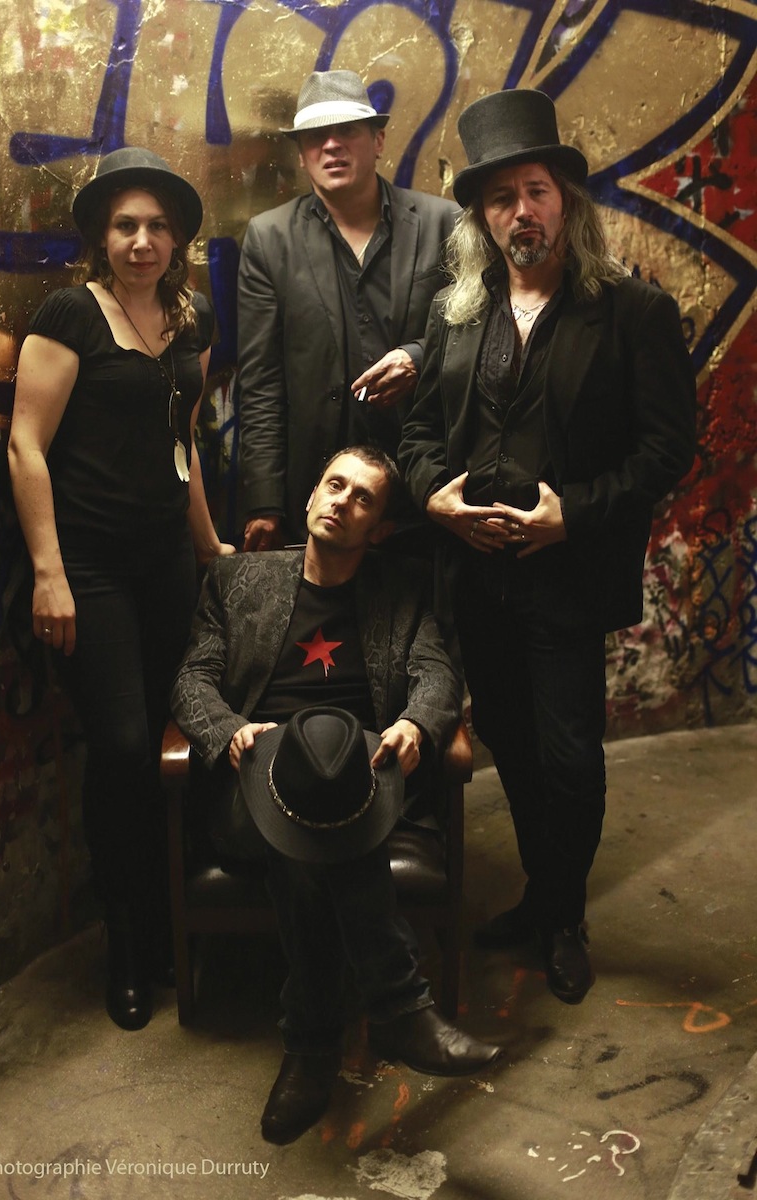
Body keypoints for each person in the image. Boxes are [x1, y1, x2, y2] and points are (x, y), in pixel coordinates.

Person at [399, 90, 697, 1004]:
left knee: (569, 755)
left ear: (566, 200)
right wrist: (434, 497)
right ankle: (542, 892)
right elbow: (419, 433)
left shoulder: (632, 311)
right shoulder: (454, 312)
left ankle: (564, 915)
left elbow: (666, 450)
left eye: (536, 191)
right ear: (482, 219)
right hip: (475, 575)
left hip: (567, 574)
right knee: (512, 745)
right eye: (502, 199)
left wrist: (575, 514)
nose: (521, 212)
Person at [172, 446, 501, 1144]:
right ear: (311, 495)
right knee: (309, 821)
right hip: (252, 783)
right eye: (334, 485)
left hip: (361, 779)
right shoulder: (238, 579)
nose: (341, 501)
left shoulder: (402, 587)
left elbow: (438, 675)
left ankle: (311, 1048)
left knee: (320, 814)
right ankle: (399, 1008)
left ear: (379, 529)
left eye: (362, 498)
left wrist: (417, 724)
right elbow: (192, 678)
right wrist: (228, 731)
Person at [7, 147, 233, 1032]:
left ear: (177, 240)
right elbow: (26, 446)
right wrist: (50, 573)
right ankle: (129, 945)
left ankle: (181, 923)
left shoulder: (191, 320)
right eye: (126, 226)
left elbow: (186, 443)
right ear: (102, 238)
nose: (143, 241)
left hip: (165, 562)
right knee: (125, 749)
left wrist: (209, 548)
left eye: (158, 227)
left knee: (183, 738)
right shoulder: (71, 313)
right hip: (90, 569)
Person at [237, 69, 458, 549]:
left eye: (347, 131)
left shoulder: (444, 224)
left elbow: (481, 335)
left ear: (378, 141)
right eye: (316, 136)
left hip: (424, 486)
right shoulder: (269, 239)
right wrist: (265, 502)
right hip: (318, 494)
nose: (331, 145)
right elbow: (260, 381)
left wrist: (419, 358)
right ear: (302, 153)